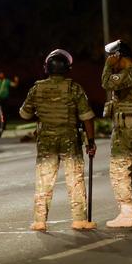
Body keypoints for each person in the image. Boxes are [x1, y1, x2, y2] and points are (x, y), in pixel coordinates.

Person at [19, 49, 97, 232]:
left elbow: (24, 114)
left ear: (47, 68)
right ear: (67, 69)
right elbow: (87, 117)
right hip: (70, 140)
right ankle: (79, 220)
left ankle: (39, 221)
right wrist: (90, 142)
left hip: (46, 141)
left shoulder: (37, 88)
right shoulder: (74, 88)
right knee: (75, 180)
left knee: (44, 181)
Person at [102, 39, 132, 227]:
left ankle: (127, 213)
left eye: (111, 56)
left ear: (118, 56)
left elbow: (106, 83)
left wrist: (108, 67)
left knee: (119, 169)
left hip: (126, 128)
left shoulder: (131, 73)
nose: (109, 59)